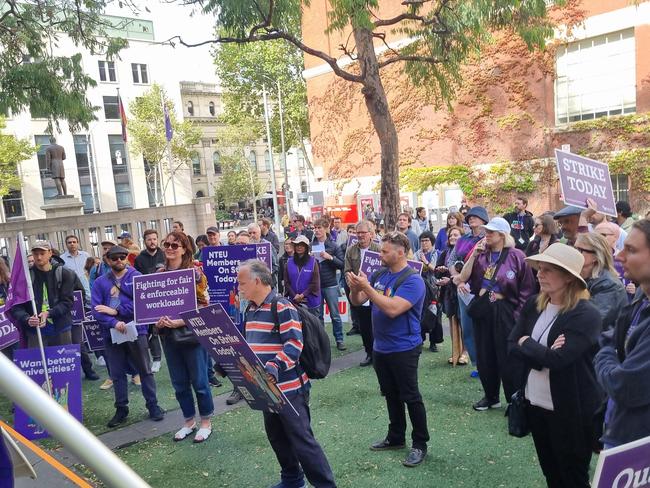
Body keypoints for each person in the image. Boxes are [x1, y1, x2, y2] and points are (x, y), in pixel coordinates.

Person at [508, 243, 602, 488]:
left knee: (573, 477)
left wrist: (527, 343)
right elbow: (511, 345)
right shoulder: (533, 304)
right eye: (539, 268)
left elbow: (559, 361)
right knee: (551, 474)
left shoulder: (586, 314)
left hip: (571, 410)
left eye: (548, 269)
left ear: (569, 277)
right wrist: (542, 352)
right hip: (535, 404)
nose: (539, 274)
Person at [237, 260, 336, 488]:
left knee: (302, 441)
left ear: (257, 281)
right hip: (265, 388)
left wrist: (275, 365)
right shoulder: (250, 308)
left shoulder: (281, 306)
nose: (238, 287)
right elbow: (250, 344)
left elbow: (294, 343)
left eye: (242, 283)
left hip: (290, 389)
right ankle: (292, 479)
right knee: (277, 438)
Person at [347, 231, 429, 467]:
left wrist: (367, 288)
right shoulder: (380, 274)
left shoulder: (414, 280)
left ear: (400, 252)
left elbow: (393, 309)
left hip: (404, 347)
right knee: (390, 394)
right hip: (381, 347)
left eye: (384, 251)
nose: (379, 254)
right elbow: (358, 301)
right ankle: (395, 438)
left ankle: (420, 444)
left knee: (411, 397)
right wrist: (355, 287)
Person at [459, 217, 535, 411]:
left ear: (502, 235)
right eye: (487, 231)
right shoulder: (482, 255)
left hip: (506, 311)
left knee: (509, 357)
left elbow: (526, 290)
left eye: (491, 232)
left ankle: (514, 400)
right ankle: (491, 396)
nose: (487, 235)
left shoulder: (517, 256)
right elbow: (465, 279)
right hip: (484, 310)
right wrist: (474, 256)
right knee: (485, 355)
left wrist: (519, 317)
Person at [91, 245, 165, 427]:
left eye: (123, 257)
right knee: (117, 374)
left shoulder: (137, 277)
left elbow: (142, 304)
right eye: (115, 257)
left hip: (136, 331)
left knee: (145, 371)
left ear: (127, 258)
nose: (119, 260)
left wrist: (115, 311)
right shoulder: (100, 282)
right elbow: (96, 310)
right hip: (112, 334)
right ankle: (121, 409)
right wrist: (114, 322)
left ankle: (153, 405)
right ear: (108, 259)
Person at [595, 219, 650, 449]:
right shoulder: (640, 298)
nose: (619, 257)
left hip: (637, 444)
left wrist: (605, 355)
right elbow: (610, 337)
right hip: (619, 429)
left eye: (631, 250)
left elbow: (624, 386)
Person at [155, 231, 214, 443]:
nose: (170, 248)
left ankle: (206, 421)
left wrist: (182, 321)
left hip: (191, 335)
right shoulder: (159, 273)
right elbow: (152, 306)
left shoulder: (195, 273)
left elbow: (205, 305)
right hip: (169, 337)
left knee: (199, 382)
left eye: (175, 245)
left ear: (184, 249)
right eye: (167, 244)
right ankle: (188, 421)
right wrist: (157, 321)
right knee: (179, 383)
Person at [10, 240, 75, 347]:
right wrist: (27, 318)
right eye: (35, 254)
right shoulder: (25, 277)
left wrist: (49, 313)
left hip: (60, 327)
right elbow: (16, 306)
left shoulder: (64, 273)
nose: (39, 257)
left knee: (63, 362)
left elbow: (67, 302)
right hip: (35, 331)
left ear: (50, 253)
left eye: (42, 253)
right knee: (37, 362)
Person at [449, 206, 489, 369]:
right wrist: (459, 281)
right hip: (463, 288)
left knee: (486, 328)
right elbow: (451, 262)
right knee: (467, 328)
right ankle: (477, 364)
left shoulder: (489, 238)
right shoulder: (462, 240)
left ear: (484, 219)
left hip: (484, 288)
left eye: (476, 216)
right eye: (470, 216)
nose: (471, 218)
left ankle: (488, 364)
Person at [344, 220, 381, 366]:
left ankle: (379, 353)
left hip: (376, 292)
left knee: (377, 324)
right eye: (358, 232)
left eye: (363, 233)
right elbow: (347, 270)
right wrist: (351, 283)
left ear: (371, 234)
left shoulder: (378, 249)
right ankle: (369, 353)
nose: (360, 235)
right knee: (364, 326)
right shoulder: (351, 250)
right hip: (359, 293)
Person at [574, 233, 628, 330]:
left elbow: (591, 321)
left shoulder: (609, 285)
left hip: (602, 341)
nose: (574, 253)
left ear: (595, 256)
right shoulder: (576, 277)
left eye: (579, 250)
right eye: (574, 248)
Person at [434, 226, 468, 365]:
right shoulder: (445, 253)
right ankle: (455, 352)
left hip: (463, 291)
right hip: (448, 293)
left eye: (456, 235)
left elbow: (468, 272)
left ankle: (465, 352)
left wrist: (452, 279)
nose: (452, 237)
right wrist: (441, 271)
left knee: (464, 322)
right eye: (450, 236)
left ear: (462, 237)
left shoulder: (466, 252)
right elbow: (436, 272)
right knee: (452, 320)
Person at [312, 218, 346, 351]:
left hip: (330, 283)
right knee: (318, 315)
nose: (317, 230)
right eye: (315, 228)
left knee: (335, 314)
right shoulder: (311, 245)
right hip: (315, 284)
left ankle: (339, 339)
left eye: (319, 227)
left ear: (326, 228)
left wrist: (329, 257)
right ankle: (322, 341)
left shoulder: (333, 245)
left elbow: (342, 264)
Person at [414, 231, 442, 351]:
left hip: (435, 288)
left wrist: (425, 261)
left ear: (432, 242)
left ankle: (433, 342)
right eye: (422, 241)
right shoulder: (416, 254)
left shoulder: (437, 253)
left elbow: (436, 269)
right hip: (420, 288)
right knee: (420, 313)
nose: (424, 243)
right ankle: (420, 340)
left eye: (427, 240)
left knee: (435, 314)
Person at [283, 236, 320, 317]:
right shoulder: (288, 262)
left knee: (313, 327)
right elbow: (286, 282)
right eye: (297, 245)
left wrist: (302, 295)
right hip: (293, 300)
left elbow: (315, 283)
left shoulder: (313, 262)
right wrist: (294, 295)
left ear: (306, 247)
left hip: (311, 301)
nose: (299, 247)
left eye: (302, 245)